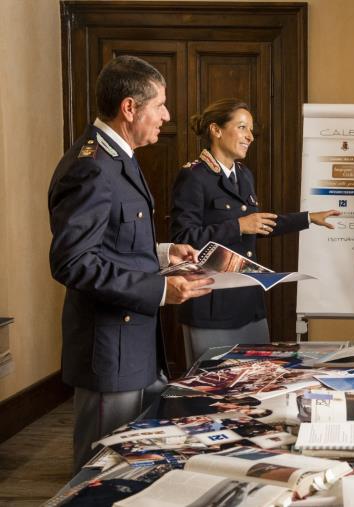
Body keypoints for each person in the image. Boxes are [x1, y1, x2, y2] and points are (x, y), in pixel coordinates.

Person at [48, 55, 214, 471]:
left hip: (136, 348)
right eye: (159, 105)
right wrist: (160, 289)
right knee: (101, 472)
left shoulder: (117, 157)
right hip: (109, 352)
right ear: (129, 108)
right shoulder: (92, 168)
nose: (167, 115)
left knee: (135, 465)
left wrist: (163, 253)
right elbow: (73, 262)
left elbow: (111, 241)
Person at [171, 99, 338, 362]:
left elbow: (257, 225)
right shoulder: (194, 177)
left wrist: (307, 218)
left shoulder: (244, 175)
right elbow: (183, 240)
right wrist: (237, 225)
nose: (250, 136)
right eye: (242, 128)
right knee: (214, 392)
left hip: (249, 304)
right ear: (216, 130)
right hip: (212, 306)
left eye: (250, 130)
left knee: (255, 385)